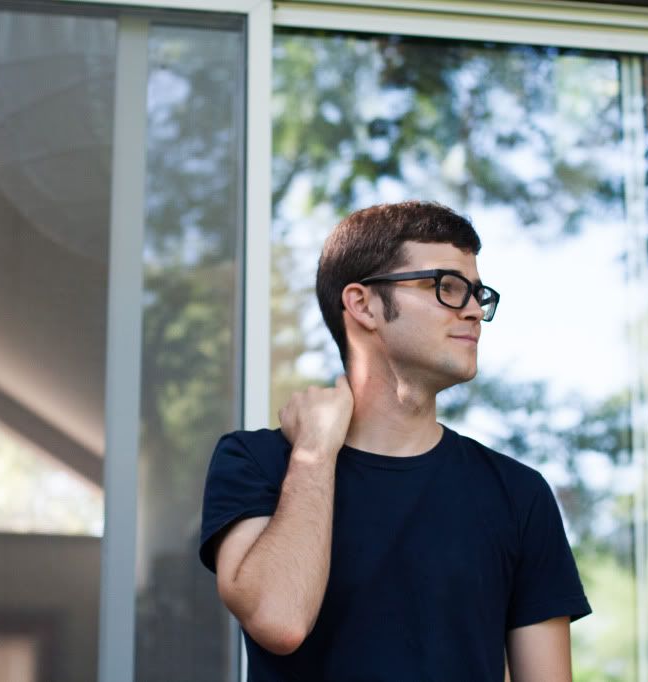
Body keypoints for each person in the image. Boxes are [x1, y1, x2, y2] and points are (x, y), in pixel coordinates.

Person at [200, 201, 591, 681]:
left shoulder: (518, 493)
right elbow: (280, 621)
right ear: (363, 304)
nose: (472, 310)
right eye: (446, 287)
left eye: (476, 293)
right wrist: (315, 452)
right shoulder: (256, 463)